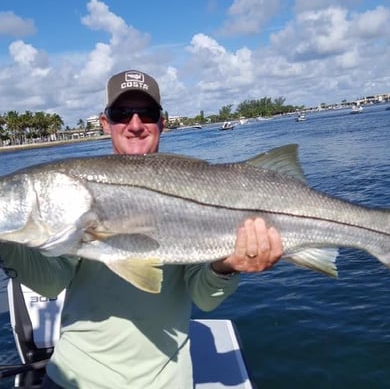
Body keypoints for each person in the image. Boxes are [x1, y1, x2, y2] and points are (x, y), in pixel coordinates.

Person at [0, 69, 283, 388]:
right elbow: (51, 282)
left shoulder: (194, 186)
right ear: (105, 123)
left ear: (162, 121)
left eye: (146, 113)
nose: (135, 124)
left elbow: (204, 297)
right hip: (73, 378)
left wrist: (226, 267)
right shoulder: (74, 210)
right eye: (121, 114)